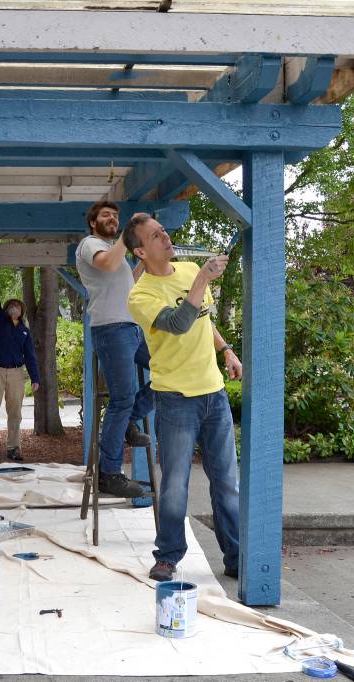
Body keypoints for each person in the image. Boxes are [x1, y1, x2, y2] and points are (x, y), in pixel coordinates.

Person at [123, 212, 243, 582]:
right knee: (175, 482)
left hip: (214, 394)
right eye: (156, 236)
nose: (165, 238)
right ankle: (169, 555)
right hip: (175, 399)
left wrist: (226, 350)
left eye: (164, 231)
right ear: (141, 251)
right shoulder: (140, 295)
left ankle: (237, 556)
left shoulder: (191, 269)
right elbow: (179, 324)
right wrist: (205, 277)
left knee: (226, 481)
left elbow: (204, 320)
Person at [74, 200, 153, 498]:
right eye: (106, 215)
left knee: (171, 369)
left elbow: (128, 285)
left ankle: (131, 420)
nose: (112, 219)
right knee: (121, 398)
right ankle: (109, 474)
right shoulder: (90, 244)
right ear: (93, 222)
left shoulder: (117, 254)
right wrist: (129, 234)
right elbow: (106, 264)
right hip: (110, 328)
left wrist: (144, 259)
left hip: (132, 328)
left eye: (116, 216)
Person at [0, 267, 41, 462]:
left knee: (15, 413)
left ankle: (13, 448)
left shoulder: (24, 331)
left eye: (17, 305)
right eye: (11, 305)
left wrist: (35, 378)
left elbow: (30, 355)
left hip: (15, 373)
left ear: (21, 311)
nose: (14, 307)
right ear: (6, 310)